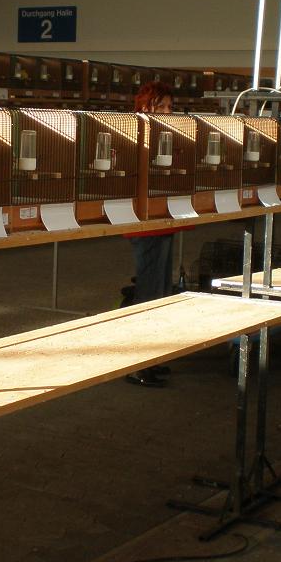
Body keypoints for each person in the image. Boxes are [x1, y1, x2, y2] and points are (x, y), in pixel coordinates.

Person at [122, 81, 181, 387]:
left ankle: (153, 357)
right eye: (162, 106)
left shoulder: (166, 135)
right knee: (149, 290)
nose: (168, 112)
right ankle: (135, 362)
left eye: (170, 106)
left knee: (162, 289)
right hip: (146, 222)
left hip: (164, 218)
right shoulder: (137, 135)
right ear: (146, 107)